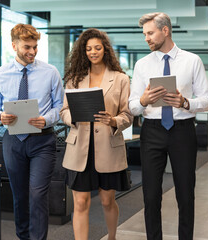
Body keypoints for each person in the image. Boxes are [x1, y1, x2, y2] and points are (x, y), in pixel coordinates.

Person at [128, 12, 208, 239]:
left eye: (150, 33)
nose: (146, 38)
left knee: (185, 194)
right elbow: (133, 106)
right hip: (152, 130)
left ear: (165, 31)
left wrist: (185, 102)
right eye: (144, 34)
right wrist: (144, 101)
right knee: (151, 196)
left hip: (182, 131)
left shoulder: (191, 60)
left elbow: (206, 100)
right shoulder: (142, 65)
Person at [0, 23, 64, 240]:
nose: (32, 51)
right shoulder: (0, 74)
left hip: (43, 140)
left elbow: (61, 106)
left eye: (35, 47)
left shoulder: (50, 72)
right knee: (19, 195)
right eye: (27, 47)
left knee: (37, 193)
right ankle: (23, 237)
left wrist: (46, 119)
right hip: (13, 140)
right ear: (14, 45)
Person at [60, 28, 133, 240]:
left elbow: (128, 115)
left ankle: (112, 237)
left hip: (108, 147)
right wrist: (71, 118)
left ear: (105, 50)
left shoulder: (120, 79)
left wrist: (113, 121)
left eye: (97, 48)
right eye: (88, 48)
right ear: (83, 51)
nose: (93, 52)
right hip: (79, 147)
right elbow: (64, 111)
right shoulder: (74, 79)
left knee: (107, 201)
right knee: (81, 202)